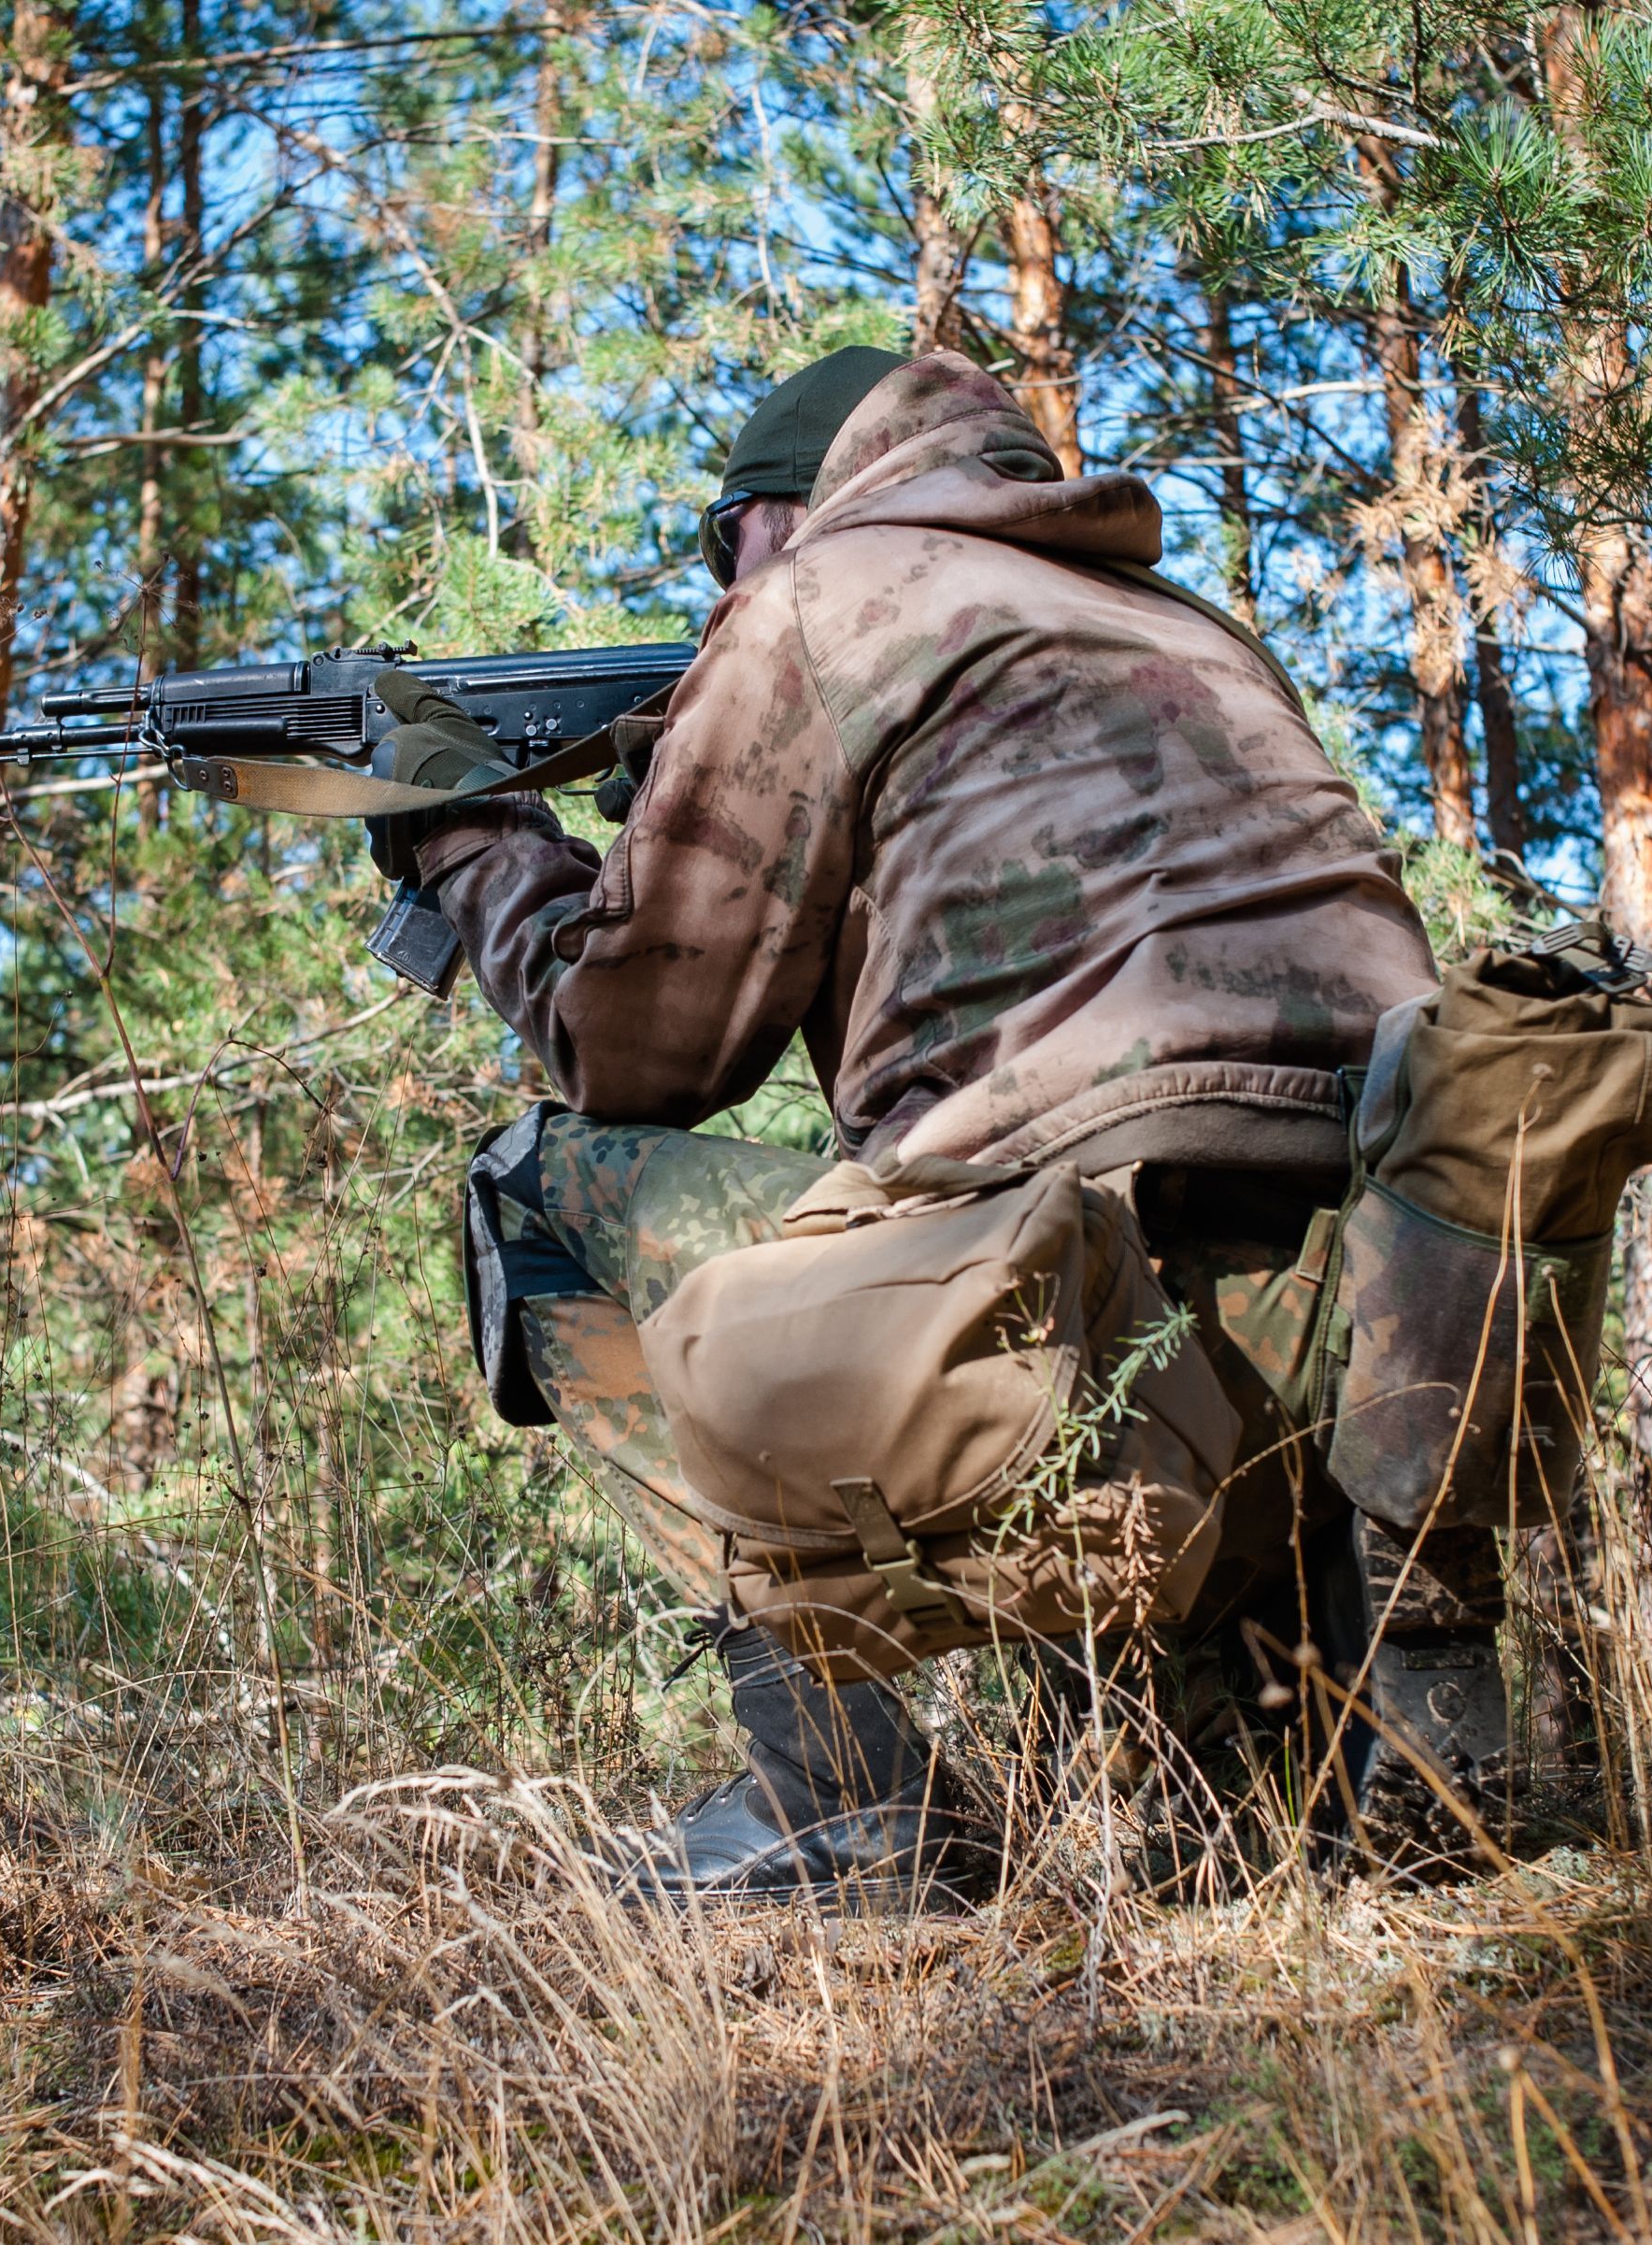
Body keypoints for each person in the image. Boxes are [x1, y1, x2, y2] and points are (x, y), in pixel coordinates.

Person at [366, 344, 1477, 1901]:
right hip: (1353, 1335)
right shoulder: (1188, 623)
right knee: (1224, 1857)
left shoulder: (818, 600)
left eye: (720, 550)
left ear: (787, 512)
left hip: (1070, 1331)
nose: (712, 598)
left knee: (540, 1192)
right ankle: (1285, 1762)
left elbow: (632, 1053)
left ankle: (844, 1803)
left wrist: (474, 844)